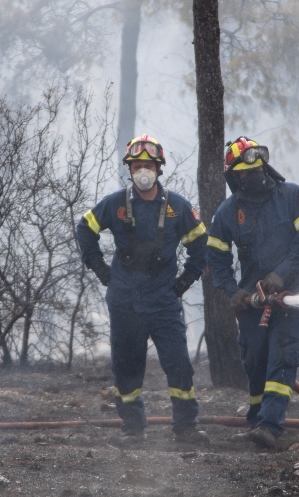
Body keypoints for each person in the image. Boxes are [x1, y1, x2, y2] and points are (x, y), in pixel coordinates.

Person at [76, 134, 210, 447]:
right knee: (126, 369)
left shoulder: (178, 207)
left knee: (178, 365)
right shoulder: (114, 204)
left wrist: (185, 281)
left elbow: (200, 245)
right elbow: (85, 229)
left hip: (163, 303)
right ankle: (133, 430)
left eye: (148, 165)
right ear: (130, 169)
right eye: (137, 165)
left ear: (159, 168)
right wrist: (98, 268)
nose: (143, 171)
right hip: (124, 303)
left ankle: (186, 428)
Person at [206, 136, 299, 449]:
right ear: (235, 177)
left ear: (265, 167)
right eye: (245, 171)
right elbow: (215, 258)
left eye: (257, 168)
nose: (253, 175)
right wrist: (234, 291)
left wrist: (280, 275)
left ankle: (270, 426)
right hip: (253, 299)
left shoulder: (292, 195)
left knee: (282, 357)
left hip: (292, 293)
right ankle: (257, 418)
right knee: (255, 359)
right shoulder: (228, 213)